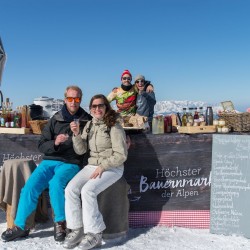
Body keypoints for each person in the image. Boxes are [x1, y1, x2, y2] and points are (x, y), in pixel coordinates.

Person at [1, 85, 92, 243]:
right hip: (50, 160)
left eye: (77, 99)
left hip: (71, 162)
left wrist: (125, 136)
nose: (73, 102)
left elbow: (102, 128)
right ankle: (21, 226)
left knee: (56, 184)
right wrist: (55, 143)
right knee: (30, 187)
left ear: (80, 100)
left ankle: (60, 223)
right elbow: (42, 144)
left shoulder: (87, 120)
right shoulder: (55, 119)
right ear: (65, 100)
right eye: (70, 98)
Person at [63, 94, 128, 249]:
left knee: (87, 190)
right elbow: (81, 151)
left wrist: (103, 166)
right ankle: (77, 229)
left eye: (100, 106)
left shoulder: (114, 125)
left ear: (106, 107)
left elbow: (121, 155)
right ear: (90, 109)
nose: (97, 109)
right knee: (71, 189)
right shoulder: (90, 125)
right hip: (92, 165)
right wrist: (77, 134)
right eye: (94, 106)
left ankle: (94, 233)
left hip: (112, 167)